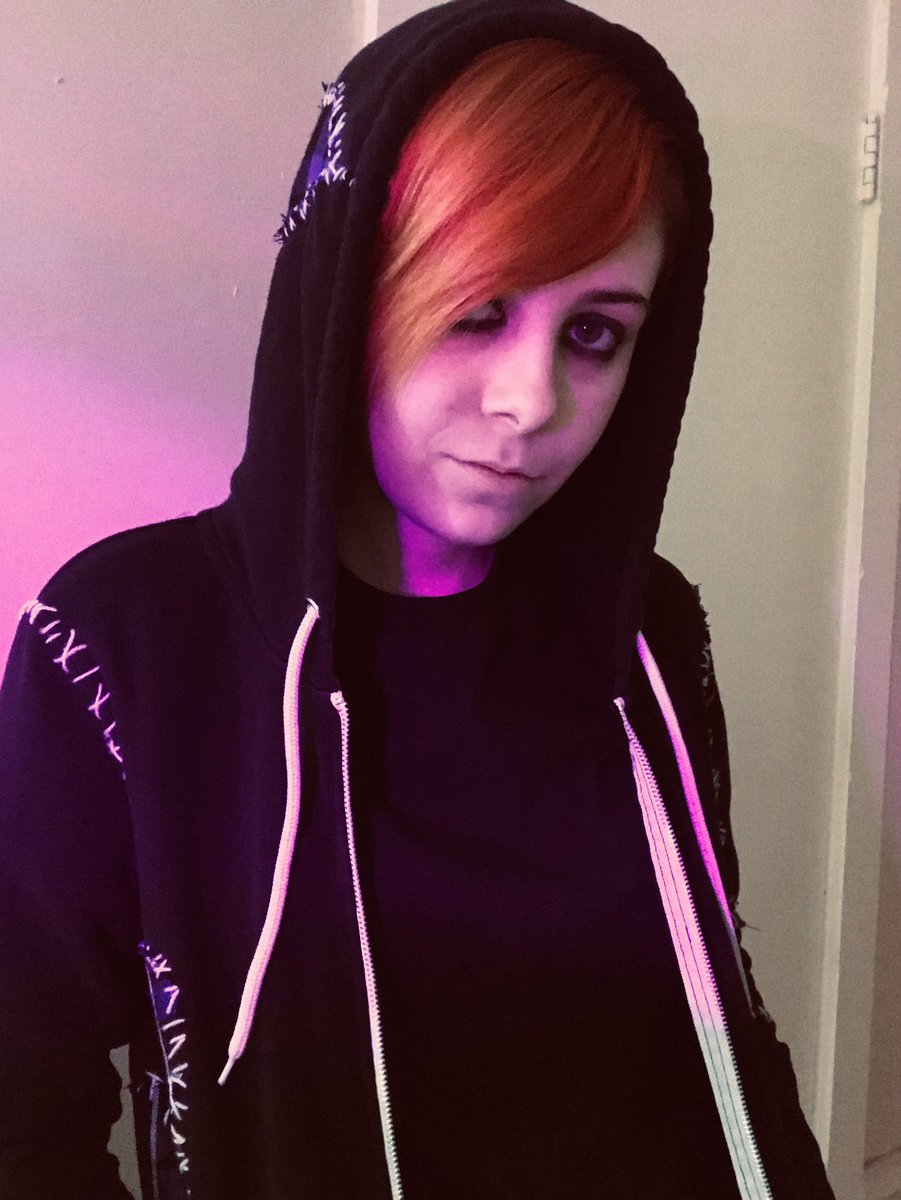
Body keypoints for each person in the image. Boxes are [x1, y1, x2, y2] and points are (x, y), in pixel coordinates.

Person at [0, 2, 836, 1197]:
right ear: (353, 289)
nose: (531, 402)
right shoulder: (125, 647)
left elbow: (719, 1021)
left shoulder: (645, 633)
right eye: (480, 312)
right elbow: (23, 1113)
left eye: (594, 335)